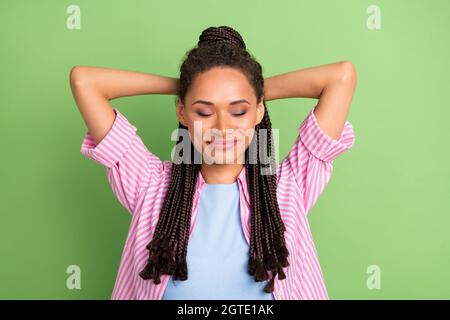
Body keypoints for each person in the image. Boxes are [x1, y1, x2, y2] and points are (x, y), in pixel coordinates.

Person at [70, 25, 356, 300]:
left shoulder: (288, 186)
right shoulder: (150, 184)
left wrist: (246, 84)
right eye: (204, 111)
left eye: (239, 111)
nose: (222, 127)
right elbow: (85, 81)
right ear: (182, 112)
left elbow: (341, 77)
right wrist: (188, 85)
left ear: (259, 111)